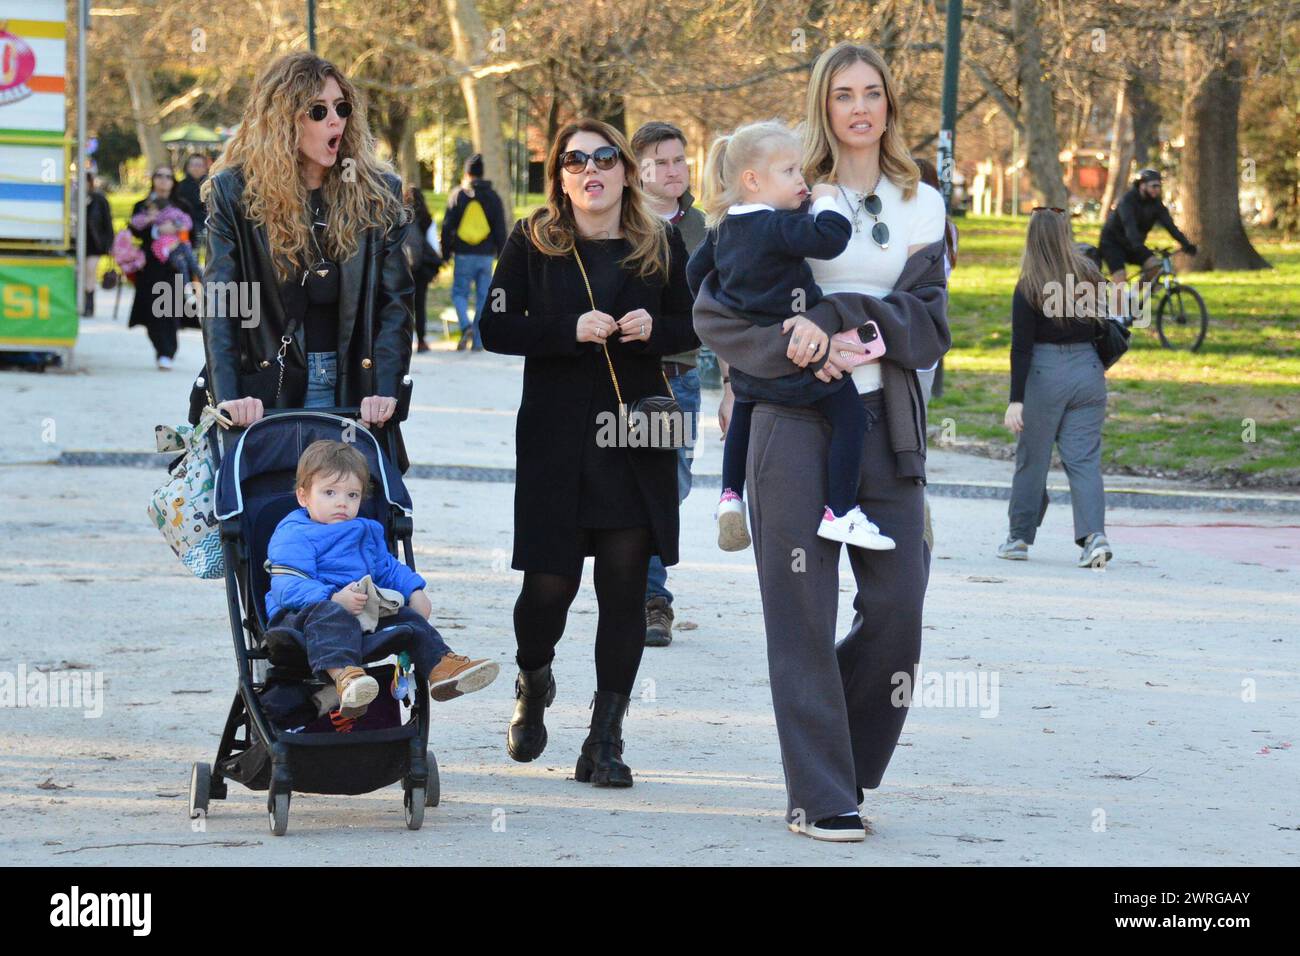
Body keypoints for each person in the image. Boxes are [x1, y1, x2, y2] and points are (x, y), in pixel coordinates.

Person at [693, 41, 949, 842]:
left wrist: (839, 323)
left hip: (886, 428)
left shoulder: (921, 203)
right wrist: (791, 348)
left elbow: (931, 322)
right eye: (843, 94)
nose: (860, 107)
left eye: (873, 92)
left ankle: (833, 749)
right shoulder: (786, 192)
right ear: (823, 105)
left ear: (889, 106)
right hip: (789, 426)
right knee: (801, 614)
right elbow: (715, 314)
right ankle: (821, 791)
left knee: (898, 611)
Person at [479, 118, 698, 788]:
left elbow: (695, 324)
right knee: (548, 588)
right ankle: (534, 677)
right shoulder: (532, 240)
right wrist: (565, 329)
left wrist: (656, 329)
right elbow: (493, 325)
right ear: (561, 178)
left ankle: (604, 740)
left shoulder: (657, 243)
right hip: (554, 436)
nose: (590, 169)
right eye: (575, 161)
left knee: (625, 592)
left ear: (626, 171)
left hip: (632, 440)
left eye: (605, 157)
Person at [688, 120, 893, 554]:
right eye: (790, 172)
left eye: (802, 172)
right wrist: (825, 199)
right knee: (851, 418)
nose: (801, 181)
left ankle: (729, 496)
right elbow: (831, 239)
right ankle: (840, 512)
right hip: (798, 358)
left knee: (742, 407)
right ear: (752, 180)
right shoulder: (776, 226)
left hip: (751, 363)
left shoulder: (723, 227)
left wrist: (730, 298)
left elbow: (693, 273)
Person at [199, 51, 413, 442]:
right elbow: (220, 304)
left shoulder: (379, 194)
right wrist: (230, 397)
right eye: (317, 111)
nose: (335, 120)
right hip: (266, 388)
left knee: (347, 502)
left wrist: (385, 388)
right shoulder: (234, 192)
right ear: (283, 121)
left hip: (352, 387)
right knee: (275, 501)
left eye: (341, 107)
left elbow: (395, 302)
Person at [267, 440, 499, 715]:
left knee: (409, 619)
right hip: (303, 617)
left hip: (362, 612)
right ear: (304, 497)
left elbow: (387, 568)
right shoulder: (296, 533)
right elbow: (287, 584)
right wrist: (332, 597)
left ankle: (441, 667)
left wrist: (414, 591)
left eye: (352, 495)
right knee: (329, 614)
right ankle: (345, 678)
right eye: (329, 492)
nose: (342, 502)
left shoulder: (364, 530)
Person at [998, 209, 1114, 568]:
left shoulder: (1029, 285)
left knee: (1033, 460)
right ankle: (1094, 537)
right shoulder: (1089, 275)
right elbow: (1110, 321)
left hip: (1044, 375)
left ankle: (1019, 537)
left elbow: (1021, 347)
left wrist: (1016, 400)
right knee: (1084, 461)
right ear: (1067, 235)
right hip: (1088, 371)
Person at [630, 120, 706, 647]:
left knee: (672, 485)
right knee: (638, 489)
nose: (672, 170)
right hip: (629, 379)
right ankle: (650, 599)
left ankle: (642, 582)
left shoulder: (704, 229)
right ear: (638, 171)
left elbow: (725, 305)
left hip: (682, 378)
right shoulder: (620, 225)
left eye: (679, 159)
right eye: (660, 162)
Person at [128, 165, 196, 369]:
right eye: (159, 176)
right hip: (149, 264)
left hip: (175, 263)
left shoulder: (182, 206)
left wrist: (174, 228)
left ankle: (167, 351)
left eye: (168, 176)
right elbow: (135, 231)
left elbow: (192, 231)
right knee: (150, 309)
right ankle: (160, 347)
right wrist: (154, 227)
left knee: (170, 308)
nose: (164, 180)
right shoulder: (142, 205)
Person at [441, 153, 507, 351]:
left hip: (463, 254)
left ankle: (465, 326)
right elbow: (500, 228)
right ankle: (478, 341)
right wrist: (502, 254)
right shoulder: (493, 196)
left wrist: (445, 253)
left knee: (459, 294)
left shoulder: (458, 195)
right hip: (486, 255)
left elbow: (446, 226)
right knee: (483, 298)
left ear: (467, 173)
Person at [1098, 168, 1196, 286]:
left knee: (1155, 267)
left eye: (1159, 186)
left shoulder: (1156, 204)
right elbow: (1129, 224)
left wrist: (1186, 244)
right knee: (1120, 281)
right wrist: (1137, 243)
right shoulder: (1127, 201)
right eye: (1153, 186)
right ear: (1142, 185)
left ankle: (1133, 296)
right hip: (1112, 244)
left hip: (1134, 245)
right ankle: (1119, 302)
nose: (1157, 190)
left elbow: (1170, 226)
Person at [403, 185, 442, 353]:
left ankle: (404, 340)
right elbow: (434, 245)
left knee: (403, 305)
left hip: (403, 269)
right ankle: (422, 341)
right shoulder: (427, 219)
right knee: (420, 305)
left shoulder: (401, 218)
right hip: (421, 270)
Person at [83, 172, 115, 317]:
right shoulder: (70, 199)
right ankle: (81, 300)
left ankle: (88, 304)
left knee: (90, 270)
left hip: (93, 243)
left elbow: (107, 222)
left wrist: (110, 244)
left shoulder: (99, 200)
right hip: (75, 243)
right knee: (79, 272)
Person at [176, 153, 210, 261]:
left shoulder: (211, 185)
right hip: (188, 227)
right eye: (193, 165)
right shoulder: (180, 187)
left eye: (200, 165)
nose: (196, 168)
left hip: (209, 226)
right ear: (187, 167)